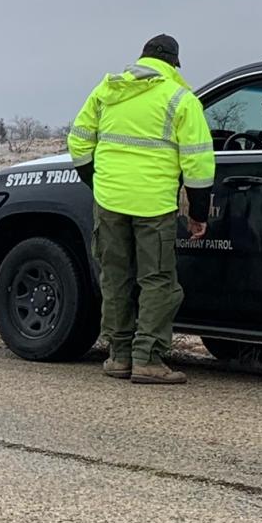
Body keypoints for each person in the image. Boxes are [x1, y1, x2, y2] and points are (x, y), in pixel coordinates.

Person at [68, 34, 215, 385]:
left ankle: (118, 356)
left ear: (142, 57)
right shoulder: (180, 98)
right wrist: (198, 213)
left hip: (110, 201)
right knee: (157, 280)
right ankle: (147, 358)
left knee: (116, 277)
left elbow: (78, 142)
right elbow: (198, 163)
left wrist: (99, 182)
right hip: (154, 203)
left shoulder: (107, 90)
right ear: (173, 64)